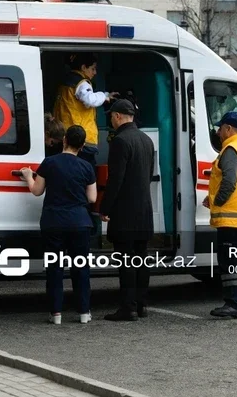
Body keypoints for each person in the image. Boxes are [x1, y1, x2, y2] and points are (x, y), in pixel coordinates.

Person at [20, 125, 97, 325]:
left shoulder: (49, 163)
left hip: (53, 223)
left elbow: (37, 191)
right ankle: (84, 313)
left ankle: (56, 314)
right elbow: (92, 197)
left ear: (64, 140)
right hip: (79, 223)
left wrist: (29, 176)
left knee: (55, 269)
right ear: (81, 146)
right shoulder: (87, 167)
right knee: (80, 269)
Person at [98, 99, 155, 321]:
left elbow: (115, 180)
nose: (111, 119)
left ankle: (127, 308)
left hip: (125, 212)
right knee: (141, 259)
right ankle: (142, 305)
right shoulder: (146, 140)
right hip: (144, 210)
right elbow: (148, 175)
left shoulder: (120, 141)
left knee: (126, 261)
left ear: (119, 116)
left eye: (111, 116)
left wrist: (105, 207)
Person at [202, 111, 237, 319]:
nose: (217, 132)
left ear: (228, 129)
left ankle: (234, 304)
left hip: (232, 218)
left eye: (220, 128)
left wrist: (216, 201)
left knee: (230, 262)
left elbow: (230, 181)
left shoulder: (231, 149)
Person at [53, 53, 118, 168]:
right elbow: (89, 99)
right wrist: (104, 97)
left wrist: (105, 95)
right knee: (86, 173)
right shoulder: (81, 83)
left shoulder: (66, 84)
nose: (95, 72)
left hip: (66, 136)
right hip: (81, 139)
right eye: (92, 68)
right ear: (83, 67)